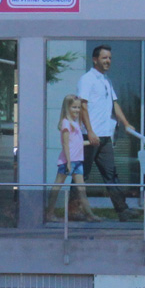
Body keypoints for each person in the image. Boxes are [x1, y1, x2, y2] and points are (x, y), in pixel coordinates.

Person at [77, 45, 138, 221]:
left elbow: (115, 104)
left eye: (110, 58)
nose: (108, 61)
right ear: (95, 59)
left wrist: (126, 124)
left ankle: (122, 210)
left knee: (111, 174)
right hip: (89, 136)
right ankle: (75, 210)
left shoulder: (106, 80)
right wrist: (90, 131)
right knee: (82, 175)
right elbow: (83, 105)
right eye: (104, 58)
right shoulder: (87, 79)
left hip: (105, 136)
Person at [46, 94, 96, 222]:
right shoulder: (66, 123)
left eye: (78, 108)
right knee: (57, 187)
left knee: (82, 190)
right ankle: (49, 213)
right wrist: (68, 162)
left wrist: (91, 142)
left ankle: (89, 214)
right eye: (74, 107)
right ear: (67, 108)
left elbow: (77, 143)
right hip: (67, 161)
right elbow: (65, 143)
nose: (77, 110)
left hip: (78, 161)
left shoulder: (75, 123)